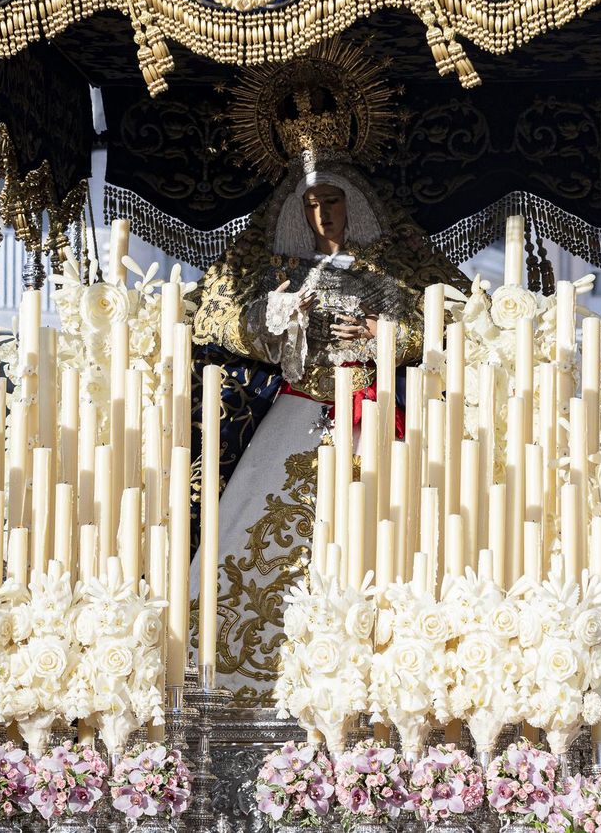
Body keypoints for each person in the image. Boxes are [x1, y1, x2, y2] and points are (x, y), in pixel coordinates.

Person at [188, 157, 465, 704]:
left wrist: (383, 333)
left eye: (333, 203)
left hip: (369, 414)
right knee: (252, 526)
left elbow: (442, 322)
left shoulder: (383, 274)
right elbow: (229, 323)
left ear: (353, 208)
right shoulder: (286, 273)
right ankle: (238, 669)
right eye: (312, 207)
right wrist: (282, 316)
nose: (324, 215)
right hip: (300, 410)